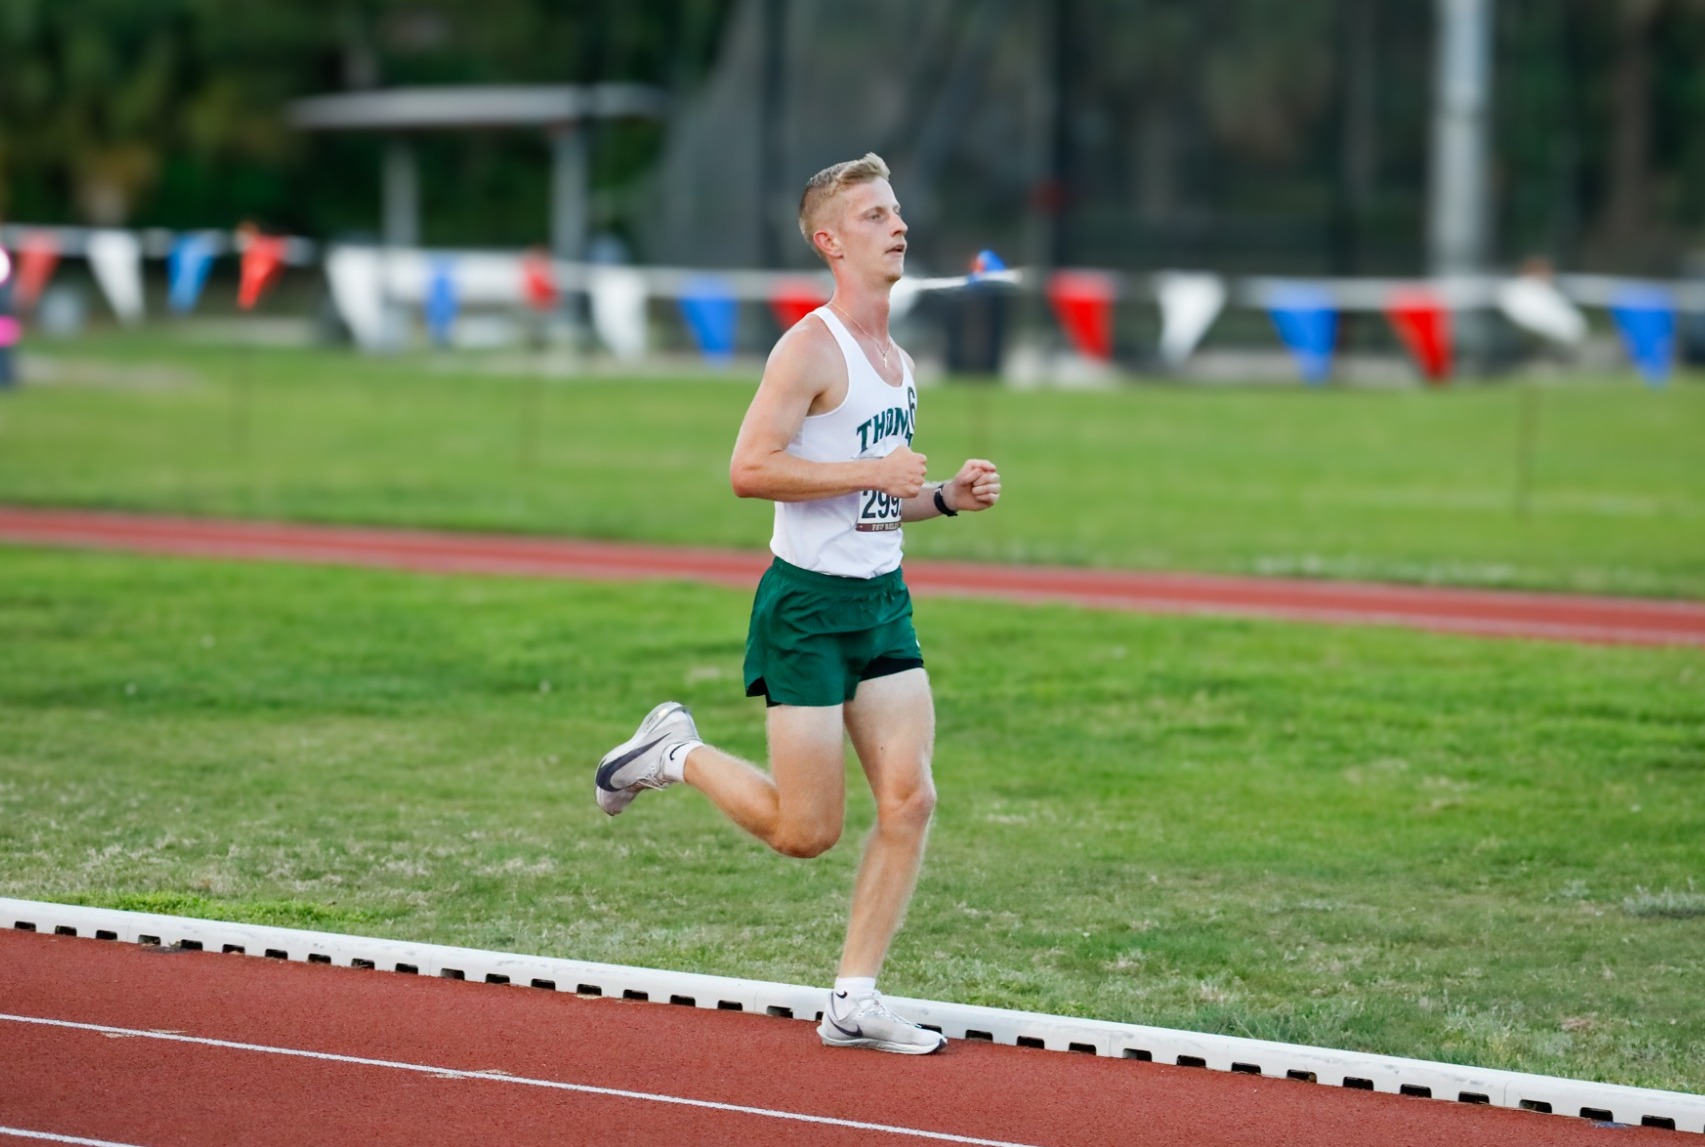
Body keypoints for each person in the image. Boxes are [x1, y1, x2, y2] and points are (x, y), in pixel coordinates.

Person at [594, 152, 1001, 1055]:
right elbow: (749, 469)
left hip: (881, 603)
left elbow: (871, 497)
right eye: (872, 216)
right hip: (807, 609)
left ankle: (854, 997)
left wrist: (940, 499)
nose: (896, 226)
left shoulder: (894, 358)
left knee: (910, 800)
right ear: (829, 242)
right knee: (805, 830)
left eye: (895, 211)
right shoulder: (808, 346)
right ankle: (675, 751)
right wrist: (874, 469)